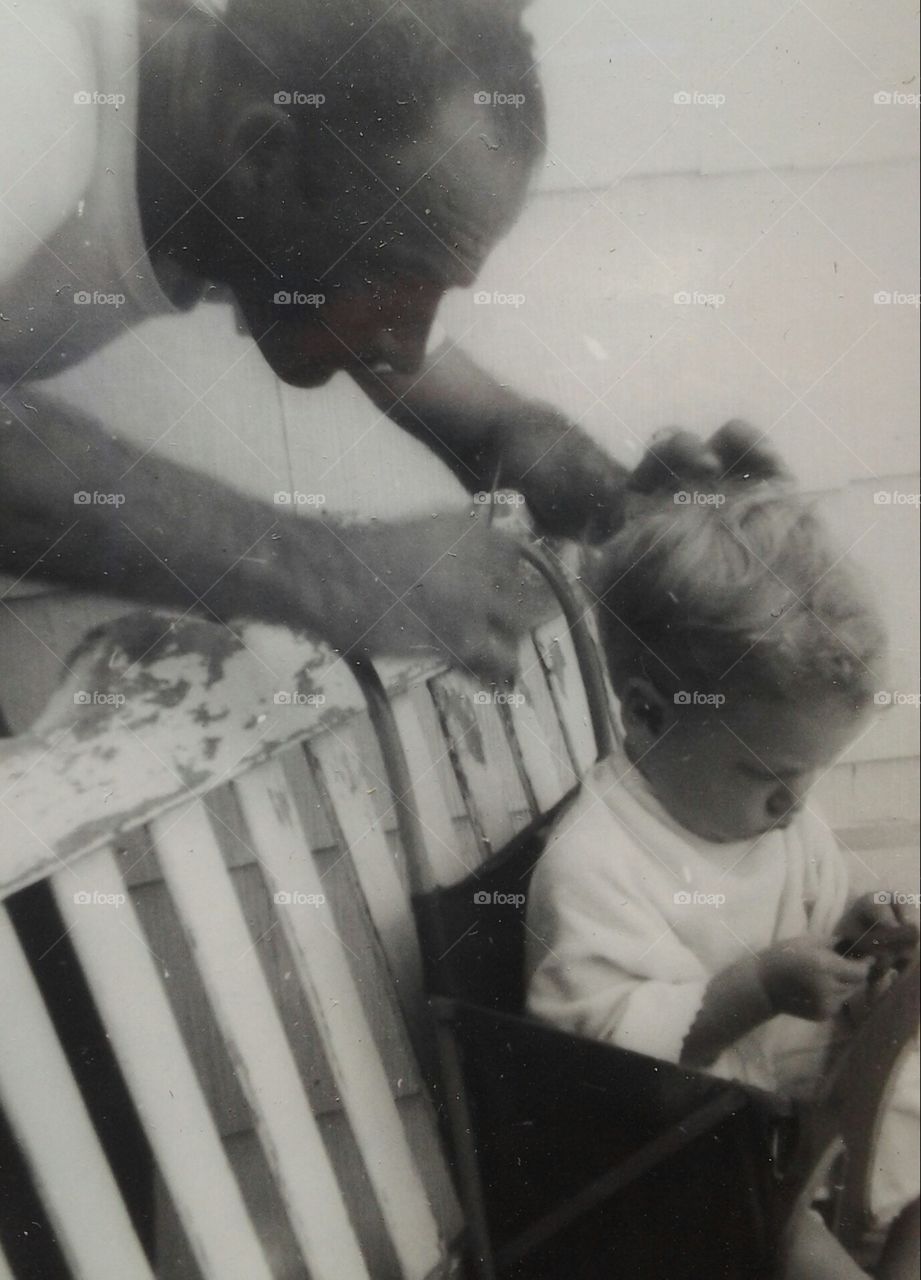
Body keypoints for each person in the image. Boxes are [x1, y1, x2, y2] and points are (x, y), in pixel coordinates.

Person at [0, 0, 637, 688]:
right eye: (397, 278)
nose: (406, 349)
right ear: (262, 157)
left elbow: (477, 417)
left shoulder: (217, 141)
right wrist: (336, 576)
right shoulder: (32, 78)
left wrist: (606, 490)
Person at [525, 427, 919, 1278]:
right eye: (769, 775)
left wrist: (863, 933)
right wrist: (759, 988)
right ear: (647, 714)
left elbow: (819, 920)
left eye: (811, 772)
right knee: (784, 1236)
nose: (795, 804)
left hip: (807, 1122)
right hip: (692, 1161)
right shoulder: (595, 864)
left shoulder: (772, 821)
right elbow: (605, 1058)